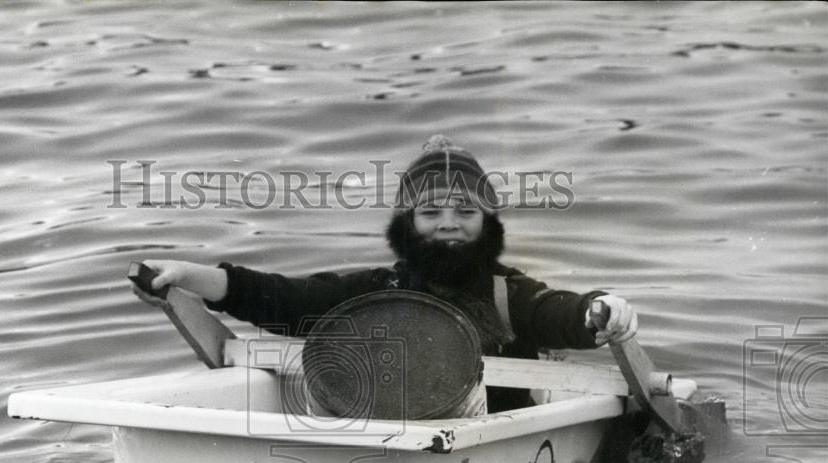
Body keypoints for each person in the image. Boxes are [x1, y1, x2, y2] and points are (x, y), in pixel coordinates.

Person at [133, 135, 637, 413]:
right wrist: (186, 275)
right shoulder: (378, 290)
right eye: (431, 212)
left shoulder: (510, 295)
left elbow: (562, 314)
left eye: (465, 212)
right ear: (408, 225)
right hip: (393, 435)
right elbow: (283, 300)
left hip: (491, 440)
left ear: (487, 223)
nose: (448, 225)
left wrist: (603, 310)